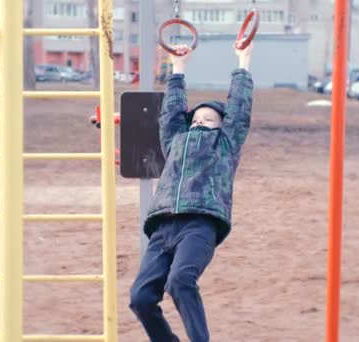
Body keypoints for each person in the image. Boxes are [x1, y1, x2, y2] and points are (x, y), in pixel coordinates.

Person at [129, 39, 254, 342]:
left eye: (209, 120)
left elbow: (238, 109)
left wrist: (243, 61)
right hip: (163, 225)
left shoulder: (225, 143)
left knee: (180, 281)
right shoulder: (176, 141)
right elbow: (171, 113)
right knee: (141, 297)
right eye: (196, 119)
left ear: (222, 127)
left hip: (200, 223)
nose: (200, 123)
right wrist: (178, 66)